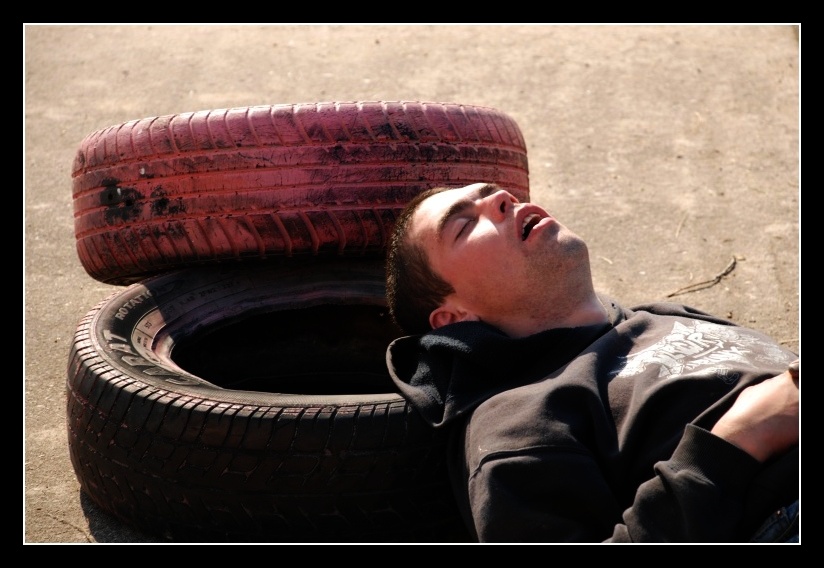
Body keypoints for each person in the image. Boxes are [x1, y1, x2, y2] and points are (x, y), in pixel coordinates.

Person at [384, 182, 799, 543]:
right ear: (454, 318)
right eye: (464, 224)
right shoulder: (517, 419)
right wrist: (737, 440)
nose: (503, 199)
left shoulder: (662, 315)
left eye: (493, 193)